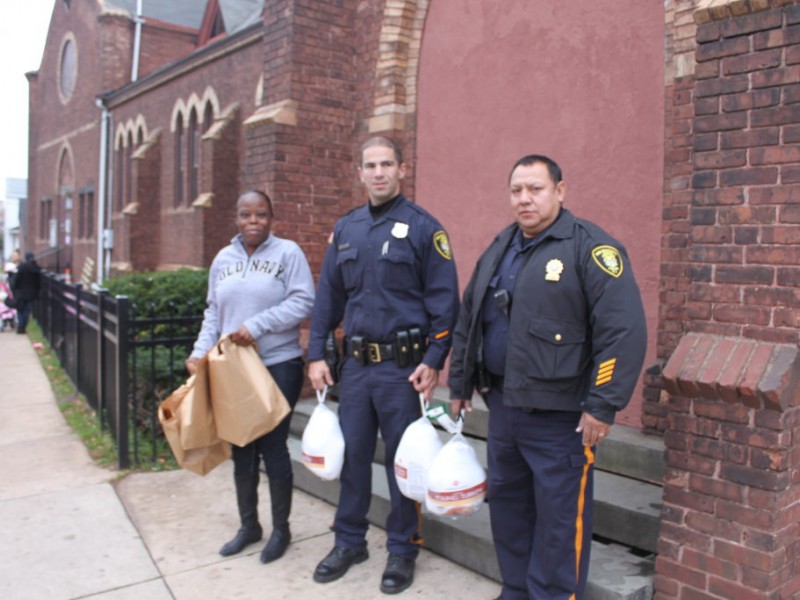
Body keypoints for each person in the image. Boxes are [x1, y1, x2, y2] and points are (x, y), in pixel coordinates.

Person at [448, 155, 647, 600]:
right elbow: (470, 318)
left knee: (559, 522)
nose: (525, 199)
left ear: (560, 190)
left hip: (561, 419)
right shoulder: (500, 247)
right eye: (516, 190)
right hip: (503, 408)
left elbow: (623, 331)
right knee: (509, 510)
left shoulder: (590, 248)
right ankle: (516, 591)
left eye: (535, 189)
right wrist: (459, 384)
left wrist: (603, 402)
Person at [307, 136, 459, 595]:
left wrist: (434, 360)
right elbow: (328, 297)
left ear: (402, 169)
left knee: (404, 463)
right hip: (355, 368)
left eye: (387, 164)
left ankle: (402, 549)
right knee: (353, 458)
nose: (378, 172)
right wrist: (316, 353)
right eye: (370, 165)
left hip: (402, 370)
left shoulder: (425, 229)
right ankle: (349, 541)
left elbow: (445, 304)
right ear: (360, 173)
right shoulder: (346, 229)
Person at [186, 189, 315, 564]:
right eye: (246, 214)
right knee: (242, 447)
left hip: (278, 363)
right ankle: (249, 526)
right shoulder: (222, 259)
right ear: (237, 218)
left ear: (271, 218)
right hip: (234, 368)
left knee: (273, 447)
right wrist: (199, 352)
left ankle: (281, 530)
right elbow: (214, 312)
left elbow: (303, 301)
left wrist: (257, 325)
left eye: (261, 214)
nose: (253, 221)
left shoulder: (288, 253)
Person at [11, 252, 41, 335]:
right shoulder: (35, 268)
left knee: (20, 310)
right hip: (31, 293)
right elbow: (38, 281)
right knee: (26, 310)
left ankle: (21, 326)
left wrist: (14, 289)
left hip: (20, 293)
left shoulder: (22, 267)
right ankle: (23, 326)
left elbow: (16, 280)